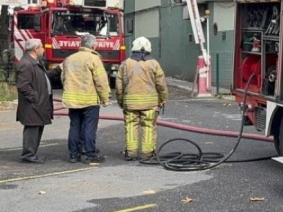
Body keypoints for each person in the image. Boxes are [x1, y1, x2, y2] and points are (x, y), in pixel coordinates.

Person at [116, 37, 168, 161]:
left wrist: (120, 101)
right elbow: (161, 84)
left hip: (130, 104)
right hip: (150, 104)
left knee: (130, 126)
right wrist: (163, 98)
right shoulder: (154, 64)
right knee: (149, 127)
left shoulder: (125, 64)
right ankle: (147, 154)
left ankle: (131, 153)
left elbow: (119, 86)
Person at [61, 34, 111, 164]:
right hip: (89, 100)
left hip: (72, 100)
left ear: (80, 45)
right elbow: (101, 81)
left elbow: (63, 78)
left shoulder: (69, 59)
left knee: (74, 126)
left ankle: (73, 155)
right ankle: (90, 155)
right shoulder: (94, 58)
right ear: (94, 45)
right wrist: (105, 98)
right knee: (89, 127)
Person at [15, 39, 54, 163]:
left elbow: (42, 76)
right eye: (41, 47)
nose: (43, 49)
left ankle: (32, 154)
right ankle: (28, 155)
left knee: (37, 128)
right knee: (32, 129)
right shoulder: (26, 64)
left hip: (38, 104)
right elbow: (23, 86)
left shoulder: (35, 62)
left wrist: (57, 71)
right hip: (33, 105)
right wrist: (36, 98)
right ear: (35, 49)